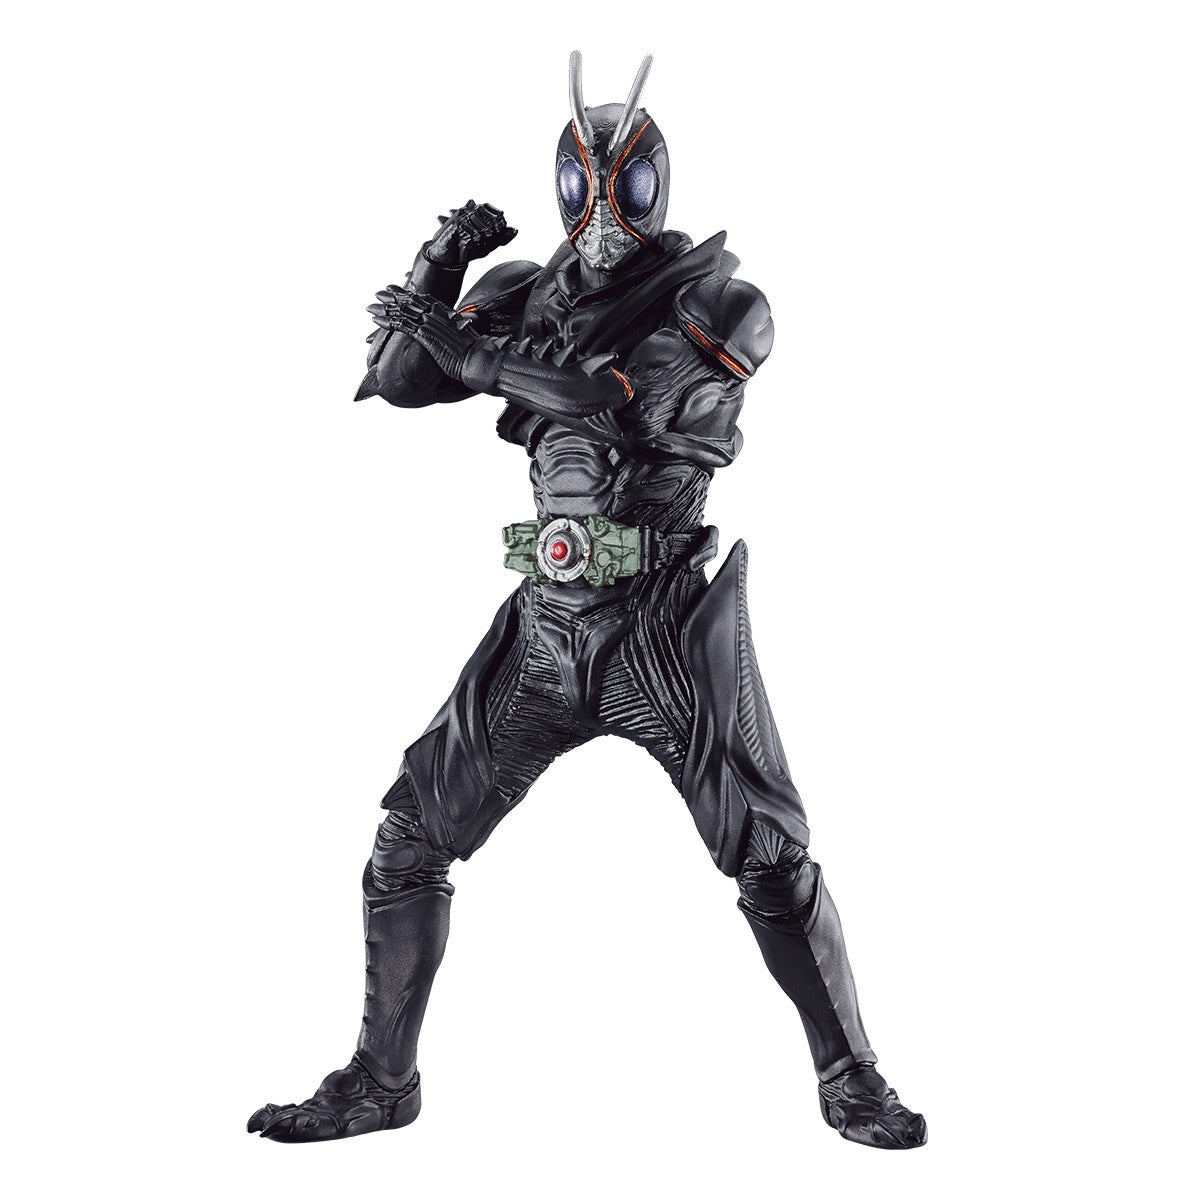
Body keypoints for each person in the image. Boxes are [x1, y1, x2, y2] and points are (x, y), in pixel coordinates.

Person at [249, 52, 926, 1150]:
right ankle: (380, 1082)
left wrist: (474, 352)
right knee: (409, 838)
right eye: (584, 185)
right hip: (547, 621)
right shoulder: (531, 293)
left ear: (659, 184)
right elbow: (398, 380)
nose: (605, 211)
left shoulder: (721, 304)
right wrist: (439, 265)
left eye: (627, 185)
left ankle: (853, 1079)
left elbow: (605, 397)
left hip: (660, 624)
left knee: (768, 855)